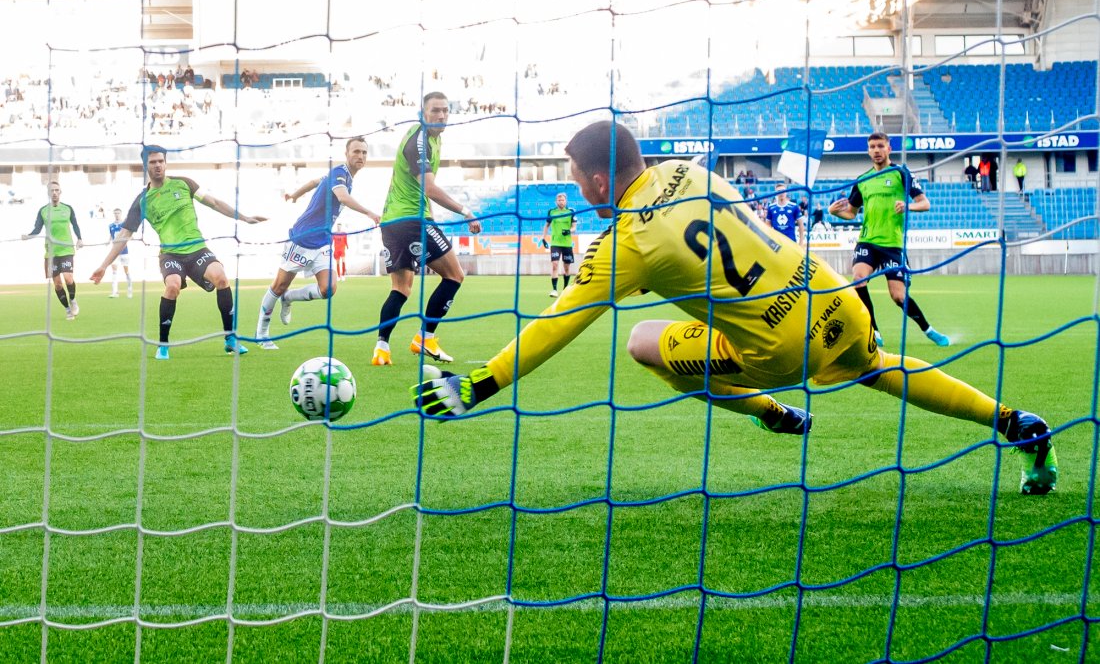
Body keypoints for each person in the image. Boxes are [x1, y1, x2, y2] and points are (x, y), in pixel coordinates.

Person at [412, 121, 1058, 496]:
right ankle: (1014, 421)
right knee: (881, 365)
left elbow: (555, 326)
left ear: (601, 181)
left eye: (578, 178)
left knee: (643, 341)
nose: (577, 188)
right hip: (833, 298)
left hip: (777, 349)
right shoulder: (693, 172)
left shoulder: (625, 241)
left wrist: (481, 382)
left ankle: (775, 412)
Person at [91, 145, 266, 359]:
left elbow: (214, 203)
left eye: (161, 161)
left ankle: (230, 339)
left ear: (165, 163)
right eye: (153, 162)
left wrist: (243, 217)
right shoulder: (142, 201)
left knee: (221, 277)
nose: (158, 165)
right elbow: (125, 234)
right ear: (145, 165)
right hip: (171, 255)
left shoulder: (184, 183)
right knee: (172, 286)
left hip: (197, 249)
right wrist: (103, 265)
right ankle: (163, 345)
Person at [371, 91, 482, 366]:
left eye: (445, 110)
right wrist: (466, 212)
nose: (441, 115)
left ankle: (381, 349)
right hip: (411, 221)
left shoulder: (432, 138)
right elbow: (429, 188)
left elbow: (418, 189)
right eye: (435, 110)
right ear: (423, 112)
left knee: (401, 289)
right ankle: (425, 337)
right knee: (455, 275)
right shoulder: (420, 141)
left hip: (393, 222)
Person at [255, 138, 380, 350]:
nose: (361, 156)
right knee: (278, 285)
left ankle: (289, 298)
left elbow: (315, 182)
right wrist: (369, 212)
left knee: (328, 288)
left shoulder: (344, 176)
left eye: (364, 153)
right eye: (356, 151)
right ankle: (261, 333)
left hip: (323, 241)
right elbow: (342, 197)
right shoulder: (339, 173)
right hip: (304, 237)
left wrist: (295, 195)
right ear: (347, 154)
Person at [828, 132, 950, 348]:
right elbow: (852, 213)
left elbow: (925, 203)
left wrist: (908, 206)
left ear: (888, 149)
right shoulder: (862, 180)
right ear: (868, 150)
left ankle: (928, 330)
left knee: (898, 297)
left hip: (893, 244)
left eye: (880, 146)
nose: (876, 150)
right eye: (872, 147)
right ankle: (874, 330)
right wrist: (833, 212)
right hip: (867, 241)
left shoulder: (900, 173)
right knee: (858, 278)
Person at [22, 181, 83, 319]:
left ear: (60, 192)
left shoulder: (68, 208)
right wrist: (28, 236)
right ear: (48, 193)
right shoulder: (43, 211)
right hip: (51, 252)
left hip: (66, 249)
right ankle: (68, 309)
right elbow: (37, 229)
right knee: (57, 284)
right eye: (52, 190)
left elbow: (75, 225)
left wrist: (79, 238)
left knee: (68, 279)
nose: (54, 192)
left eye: (57, 190)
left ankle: (73, 300)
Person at [540, 191, 577, 297]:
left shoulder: (571, 211)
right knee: (555, 265)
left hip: (567, 244)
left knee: (566, 267)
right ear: (556, 201)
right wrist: (543, 238)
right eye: (559, 200)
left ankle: (565, 289)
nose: (561, 202)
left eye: (563, 200)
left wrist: (569, 231)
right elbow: (546, 225)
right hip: (555, 243)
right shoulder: (551, 212)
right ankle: (554, 290)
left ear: (566, 201)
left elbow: (574, 227)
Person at [107, 207, 134, 298]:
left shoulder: (125, 225)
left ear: (121, 214)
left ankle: (129, 290)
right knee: (114, 271)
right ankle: (115, 292)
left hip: (124, 251)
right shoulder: (111, 226)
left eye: (118, 213)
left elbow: (130, 236)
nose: (117, 215)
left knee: (126, 271)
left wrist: (128, 238)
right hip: (115, 252)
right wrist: (108, 241)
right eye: (115, 213)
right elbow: (111, 236)